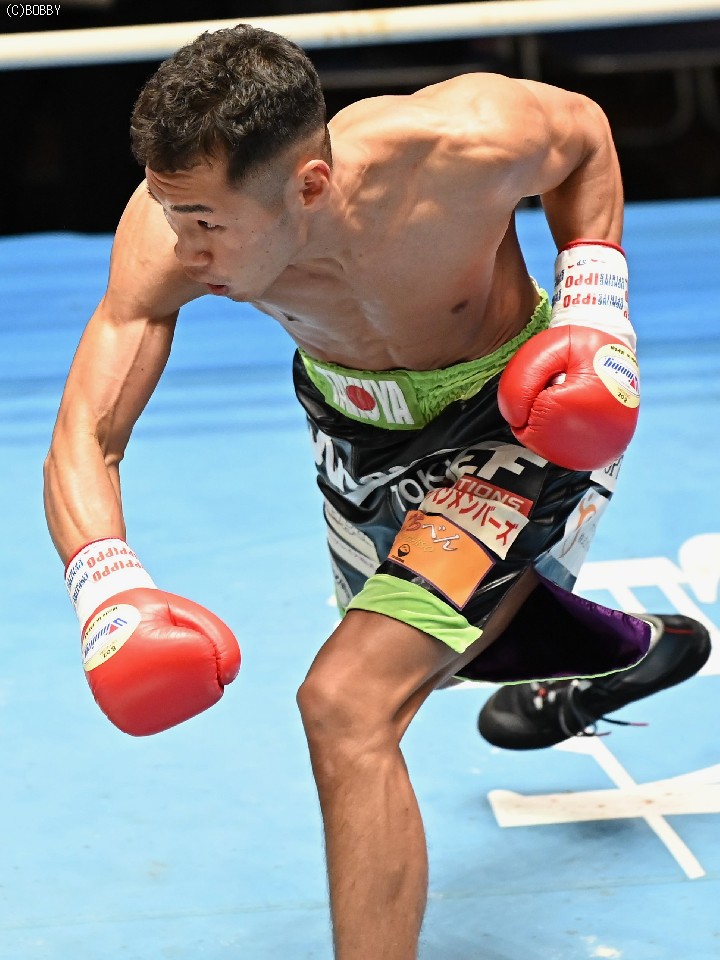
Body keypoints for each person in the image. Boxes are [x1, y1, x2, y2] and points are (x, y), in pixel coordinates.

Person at [43, 24, 710, 960]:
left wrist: (596, 310)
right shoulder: (164, 231)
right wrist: (106, 589)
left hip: (512, 422)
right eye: (169, 209)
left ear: (309, 185)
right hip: (354, 431)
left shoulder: (457, 144)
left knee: (350, 701)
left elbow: (584, 135)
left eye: (207, 222)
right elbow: (86, 433)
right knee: (444, 646)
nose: (182, 247)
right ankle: (627, 651)